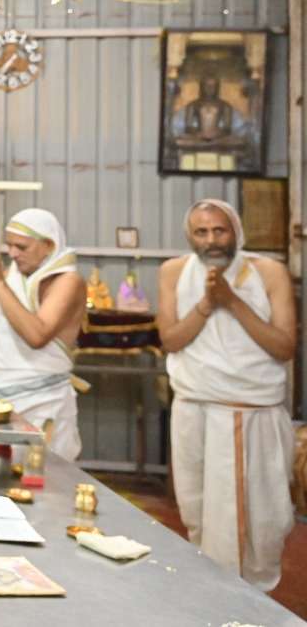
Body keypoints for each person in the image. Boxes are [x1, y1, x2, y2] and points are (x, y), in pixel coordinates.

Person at [157, 198, 296, 592]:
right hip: (193, 407)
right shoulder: (173, 271)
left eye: (219, 230)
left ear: (236, 230)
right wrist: (207, 302)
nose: (211, 240)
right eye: (201, 232)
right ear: (189, 236)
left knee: (257, 523)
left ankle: (249, 601)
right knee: (198, 513)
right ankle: (211, 600)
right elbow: (171, 340)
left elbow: (284, 347)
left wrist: (232, 301)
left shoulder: (268, 272)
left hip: (251, 412)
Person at [0, 209, 86, 461]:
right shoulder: (13, 274)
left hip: (39, 400)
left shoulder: (68, 281)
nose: (13, 254)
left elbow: (36, 336)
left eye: (21, 247)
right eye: (9, 246)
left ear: (48, 245)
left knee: (37, 476)